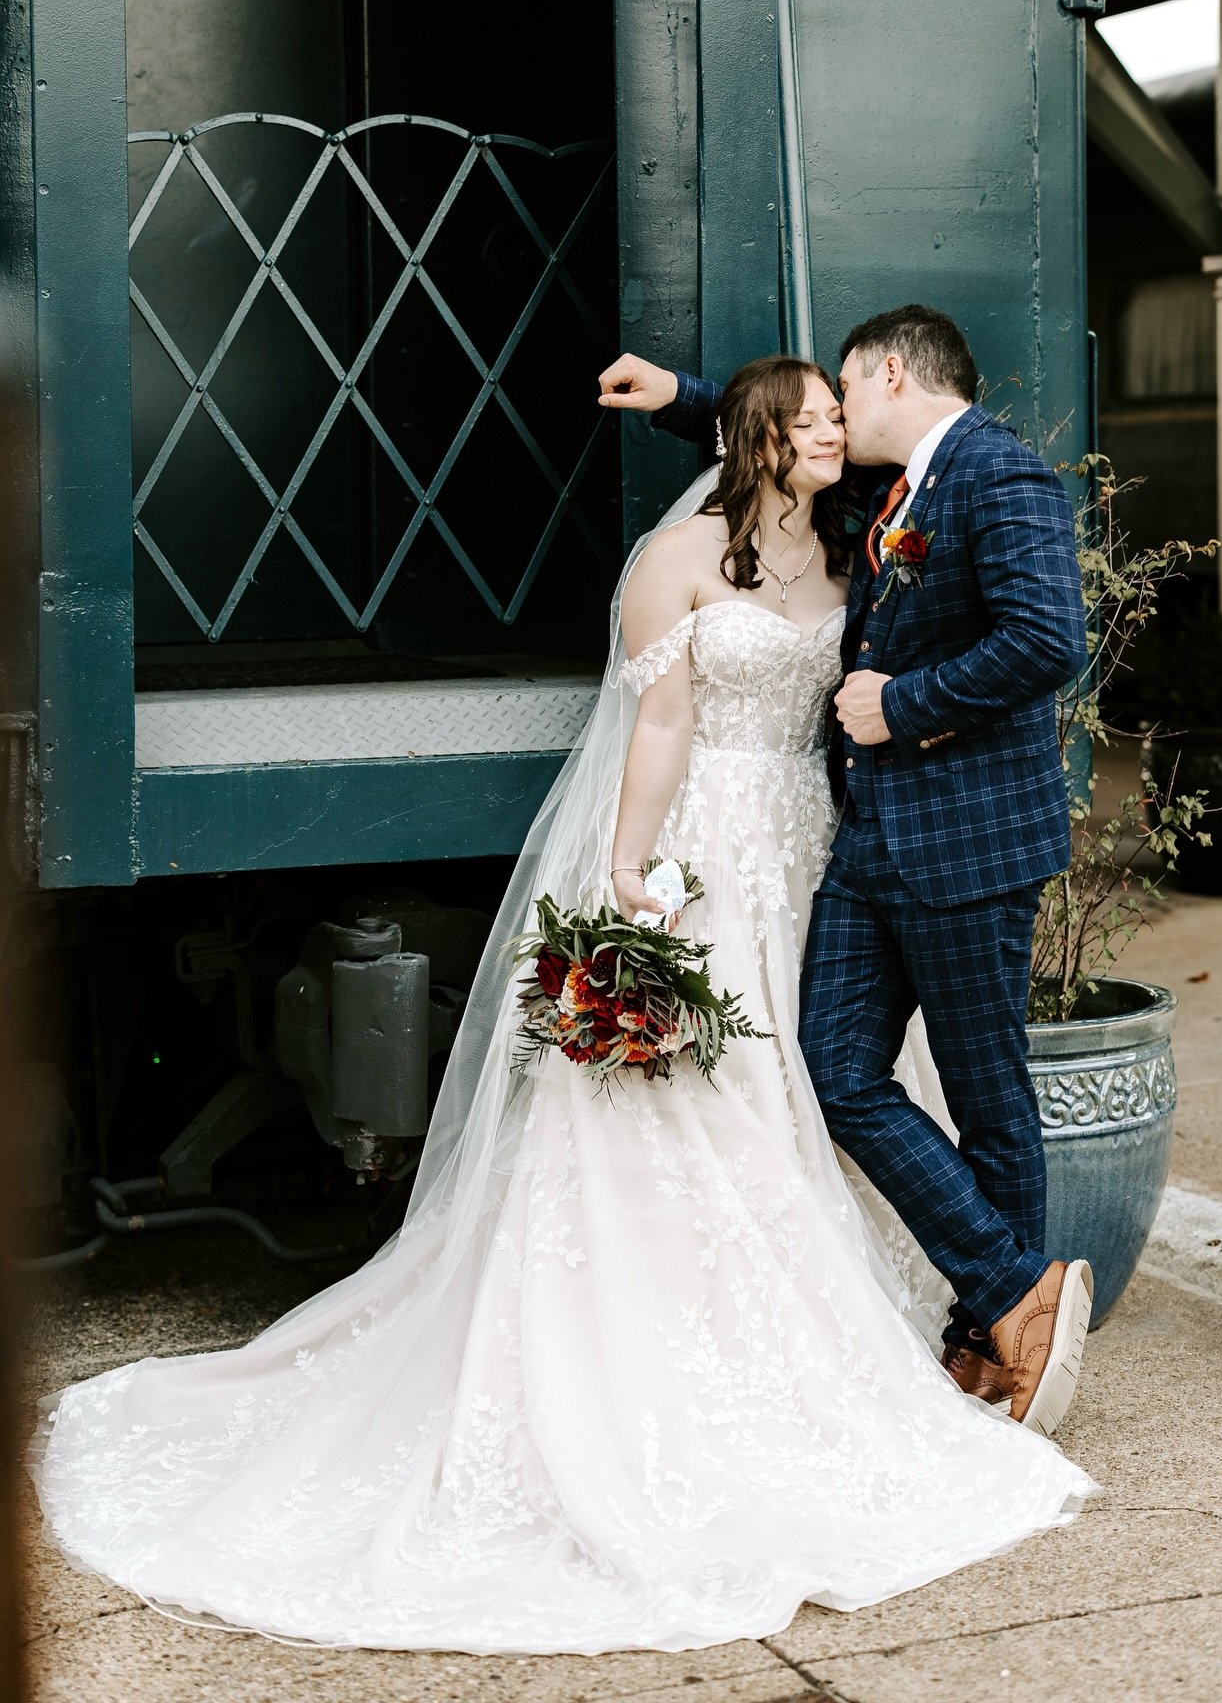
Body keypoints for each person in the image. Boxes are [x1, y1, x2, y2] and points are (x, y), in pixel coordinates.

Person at [28, 352, 1092, 1658]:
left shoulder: (862, 526)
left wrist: (699, 398)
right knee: (715, 1093)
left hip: (825, 857)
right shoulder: (678, 564)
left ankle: (992, 1314)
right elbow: (655, 731)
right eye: (814, 423)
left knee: (849, 1079)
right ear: (772, 440)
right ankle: (902, 1319)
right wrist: (629, 873)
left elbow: (967, 581)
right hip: (712, 852)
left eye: (840, 416)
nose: (837, 436)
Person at [599, 305, 1092, 1423]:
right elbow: (774, 444)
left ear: (883, 375)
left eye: (841, 402)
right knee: (837, 1069)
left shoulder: (996, 476)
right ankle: (1016, 1288)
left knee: (987, 1097)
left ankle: (994, 1341)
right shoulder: (893, 492)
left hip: (965, 845)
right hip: (867, 845)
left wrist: (901, 705)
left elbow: (1047, 640)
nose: (833, 425)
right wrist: (683, 398)